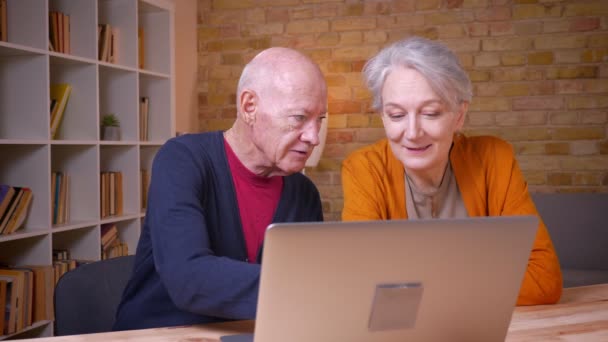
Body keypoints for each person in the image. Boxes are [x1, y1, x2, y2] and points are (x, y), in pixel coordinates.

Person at [113, 47, 328, 330]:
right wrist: (310, 290)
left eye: (320, 120)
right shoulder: (182, 159)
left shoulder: (304, 193)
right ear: (249, 106)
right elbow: (188, 278)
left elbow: (307, 292)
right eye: (300, 118)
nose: (313, 136)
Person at [341, 36, 562, 305]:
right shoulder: (364, 169)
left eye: (431, 113)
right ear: (383, 118)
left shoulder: (495, 159)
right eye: (397, 115)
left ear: (459, 116)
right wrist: (481, 279)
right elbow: (362, 284)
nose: (412, 133)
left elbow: (543, 280)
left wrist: (413, 285)